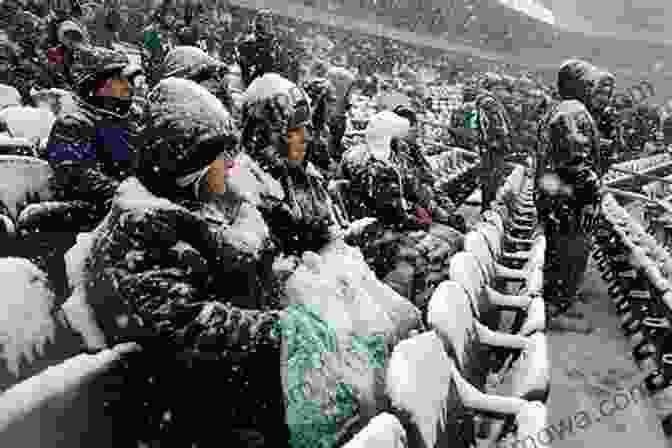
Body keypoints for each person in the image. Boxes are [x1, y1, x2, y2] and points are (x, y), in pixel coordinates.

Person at [536, 59, 608, 329]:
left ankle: (560, 303)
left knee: (563, 253)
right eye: (589, 84)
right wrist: (593, 191)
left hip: (558, 198)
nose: (592, 89)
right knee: (568, 254)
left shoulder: (563, 108)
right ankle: (555, 310)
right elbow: (575, 163)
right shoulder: (573, 111)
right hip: (568, 202)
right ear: (576, 85)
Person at [235, 9, 286, 87]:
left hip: (273, 85)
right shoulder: (249, 42)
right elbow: (244, 68)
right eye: (266, 21)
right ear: (258, 23)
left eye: (270, 21)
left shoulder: (275, 43)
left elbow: (280, 66)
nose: (269, 23)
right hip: (255, 86)